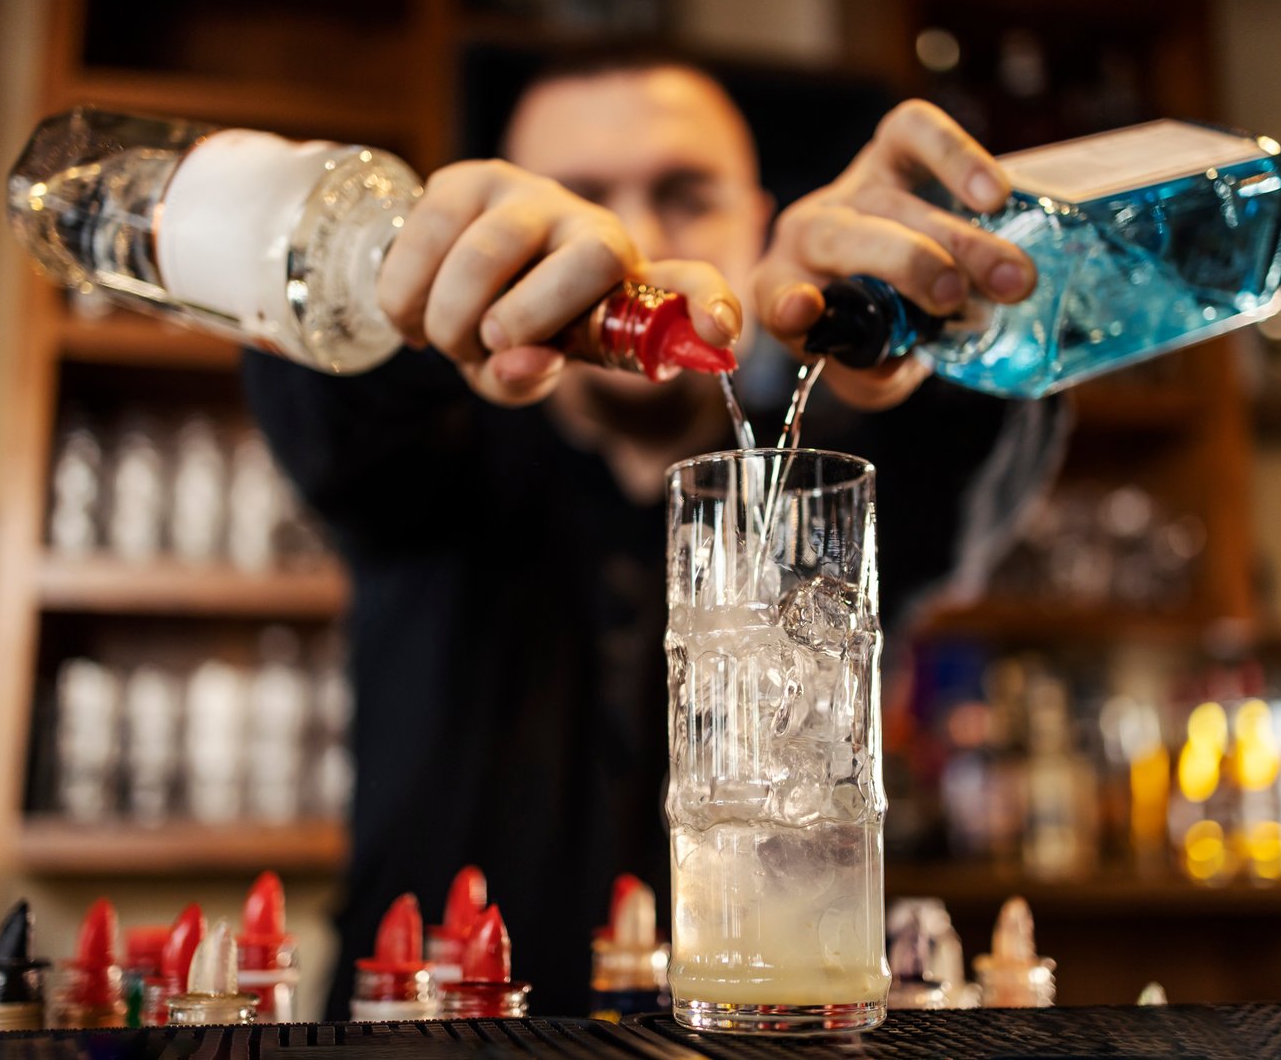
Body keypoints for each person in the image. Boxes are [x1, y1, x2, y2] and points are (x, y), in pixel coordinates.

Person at [241, 58, 1061, 1016]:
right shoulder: (430, 455)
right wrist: (419, 295)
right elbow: (327, 401)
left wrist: (940, 311)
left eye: (686, 196)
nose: (632, 244)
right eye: (578, 202)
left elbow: (971, 449)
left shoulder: (829, 483)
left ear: (756, 227)